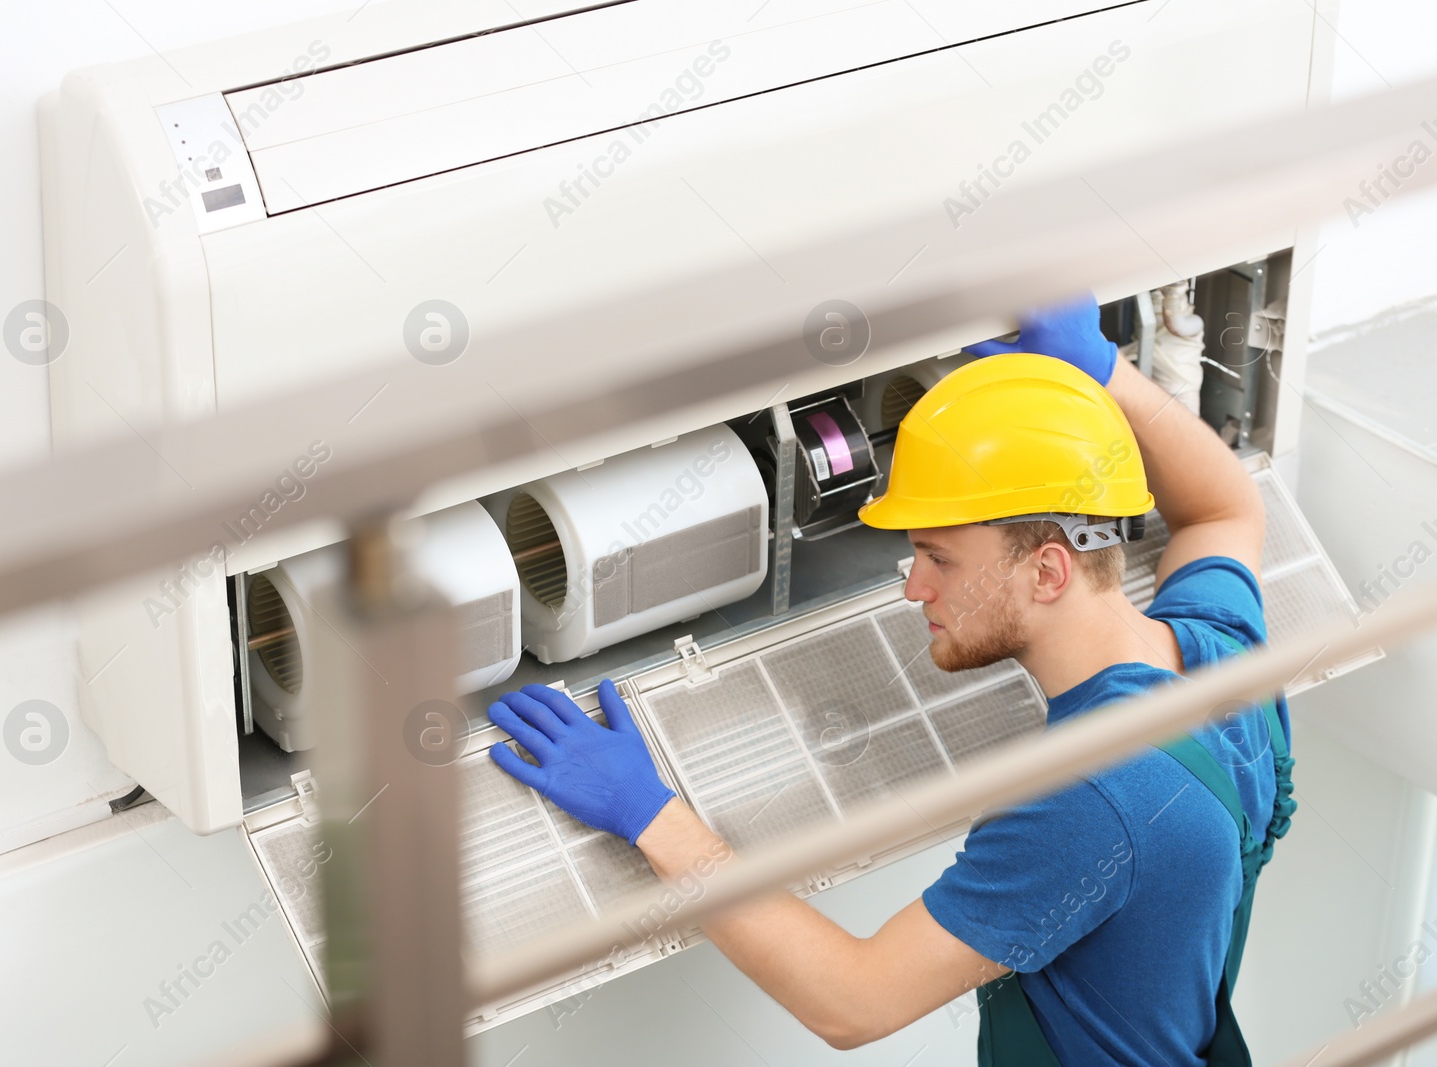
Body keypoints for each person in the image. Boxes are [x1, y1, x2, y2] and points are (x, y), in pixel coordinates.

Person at [484, 295, 1295, 1064]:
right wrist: (1101, 371)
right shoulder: (1219, 650)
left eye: (940, 557)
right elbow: (1227, 510)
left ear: (1048, 570)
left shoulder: (1093, 798)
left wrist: (648, 812)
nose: (912, 586)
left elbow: (853, 999)